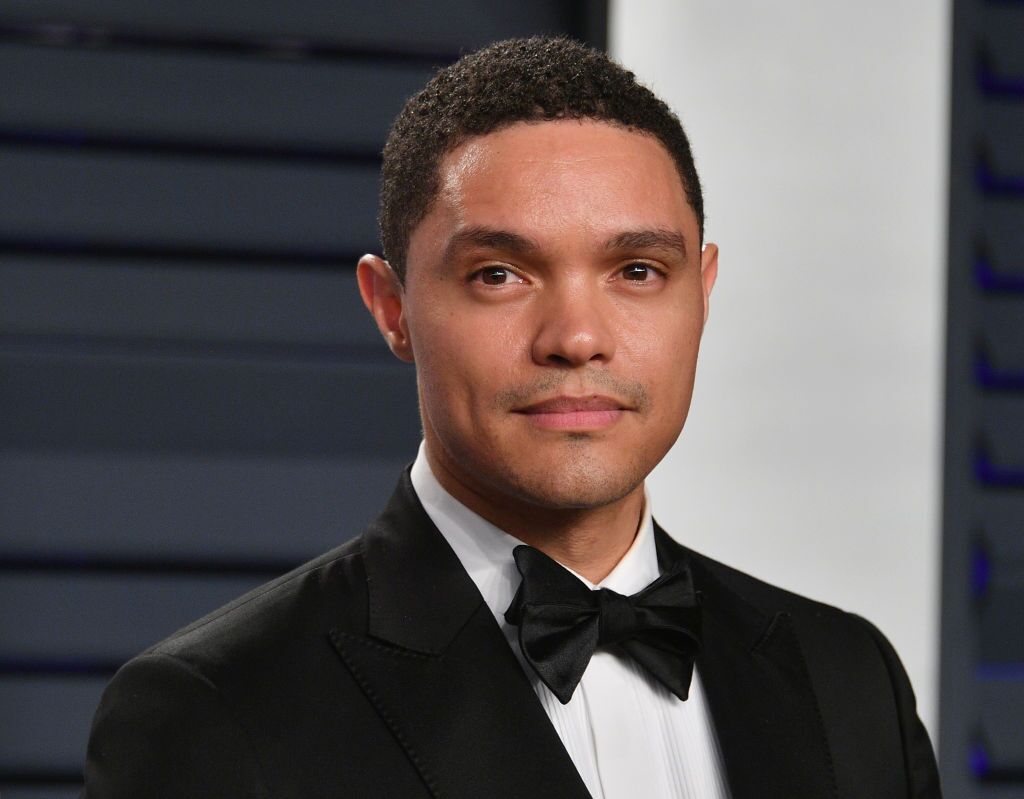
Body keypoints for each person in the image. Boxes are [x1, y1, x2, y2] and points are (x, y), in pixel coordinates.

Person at [82, 37, 941, 798]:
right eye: (500, 274)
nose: (576, 337)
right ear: (392, 308)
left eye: (637, 270)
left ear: (703, 295)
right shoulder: (218, 709)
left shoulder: (849, 678)